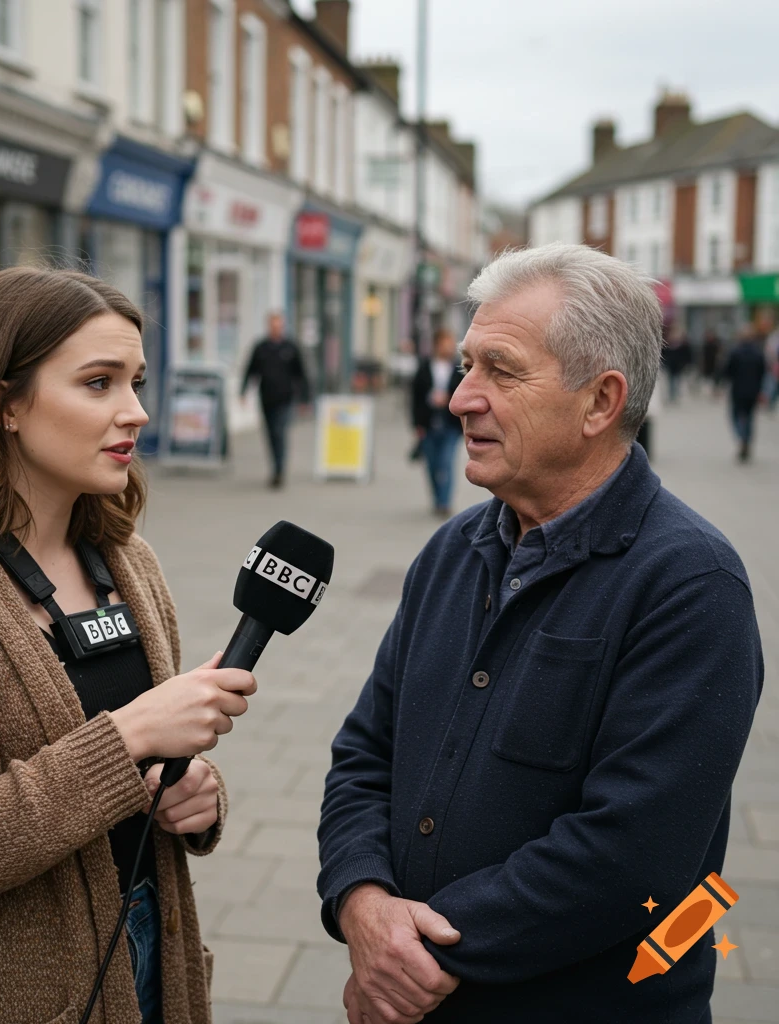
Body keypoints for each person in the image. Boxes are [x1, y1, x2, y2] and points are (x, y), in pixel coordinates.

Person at [318, 243, 762, 1024]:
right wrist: (360, 900)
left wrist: (413, 955)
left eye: (501, 370)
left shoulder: (691, 585)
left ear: (600, 402)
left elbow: (631, 856)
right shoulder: (452, 553)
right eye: (464, 366)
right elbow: (364, 755)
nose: (461, 398)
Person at [0, 267, 257, 1024]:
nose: (137, 412)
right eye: (99, 383)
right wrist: (127, 739)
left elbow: (134, 781)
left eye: (137, 381)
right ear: (5, 404)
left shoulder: (130, 560)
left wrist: (192, 794)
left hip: (147, 962)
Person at [241, 312, 309, 488]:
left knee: (279, 432)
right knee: (270, 434)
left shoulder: (290, 347)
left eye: (279, 325)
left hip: (285, 399)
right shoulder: (261, 347)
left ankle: (279, 470)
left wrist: (305, 399)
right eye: (273, 325)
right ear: (268, 326)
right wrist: (243, 391)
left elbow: (300, 374)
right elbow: (250, 370)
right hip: (266, 398)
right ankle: (275, 466)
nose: (276, 328)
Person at [411, 329, 464, 516]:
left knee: (447, 462)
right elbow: (414, 398)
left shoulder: (459, 368)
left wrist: (447, 398)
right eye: (445, 343)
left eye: (451, 344)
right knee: (432, 465)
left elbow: (464, 393)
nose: (449, 348)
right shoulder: (424, 368)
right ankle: (436, 498)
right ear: (436, 345)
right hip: (428, 424)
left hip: (450, 424)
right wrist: (416, 424)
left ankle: (444, 502)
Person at [720, 324, 767, 462]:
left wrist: (720, 385)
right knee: (750, 417)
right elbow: (762, 372)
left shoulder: (735, 352)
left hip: (738, 390)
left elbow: (727, 371)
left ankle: (741, 437)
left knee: (735, 416)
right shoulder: (758, 353)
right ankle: (746, 439)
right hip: (753, 391)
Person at [662, 322, 692, 402]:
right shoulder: (668, 343)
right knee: (671, 380)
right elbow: (664, 354)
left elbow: (687, 355)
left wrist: (686, 363)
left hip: (679, 365)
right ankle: (672, 395)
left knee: (677, 380)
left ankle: (676, 395)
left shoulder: (683, 345)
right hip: (671, 365)